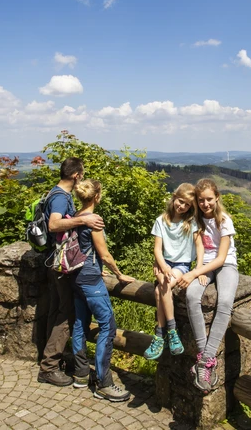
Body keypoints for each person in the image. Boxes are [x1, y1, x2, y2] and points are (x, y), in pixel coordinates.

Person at [38, 157, 104, 387]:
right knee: (66, 315)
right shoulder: (59, 197)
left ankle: (49, 360)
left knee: (57, 311)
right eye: (82, 175)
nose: (83, 179)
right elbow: (54, 225)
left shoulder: (55, 193)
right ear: (76, 176)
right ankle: (49, 367)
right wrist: (82, 220)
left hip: (54, 263)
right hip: (59, 265)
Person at [69, 179, 135, 402]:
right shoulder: (93, 221)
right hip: (90, 280)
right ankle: (103, 383)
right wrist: (119, 274)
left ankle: (80, 374)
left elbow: (84, 250)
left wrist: (97, 267)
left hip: (76, 277)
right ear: (97, 196)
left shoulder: (76, 217)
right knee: (108, 325)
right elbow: (104, 254)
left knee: (80, 322)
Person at [175, 178, 239, 393]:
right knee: (192, 296)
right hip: (204, 265)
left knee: (225, 303)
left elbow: (221, 258)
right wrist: (199, 269)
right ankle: (204, 358)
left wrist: (194, 272)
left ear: (217, 197)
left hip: (225, 264)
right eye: (201, 200)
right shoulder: (196, 220)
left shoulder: (224, 220)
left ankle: (207, 359)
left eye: (209, 199)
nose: (205, 204)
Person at [144, 183, 198, 360]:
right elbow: (157, 249)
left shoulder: (190, 223)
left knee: (163, 287)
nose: (182, 206)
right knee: (161, 288)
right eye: (180, 201)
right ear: (174, 197)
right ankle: (170, 333)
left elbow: (199, 247)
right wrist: (162, 266)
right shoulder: (161, 220)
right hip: (164, 263)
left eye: (187, 205)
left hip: (182, 265)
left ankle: (162, 334)